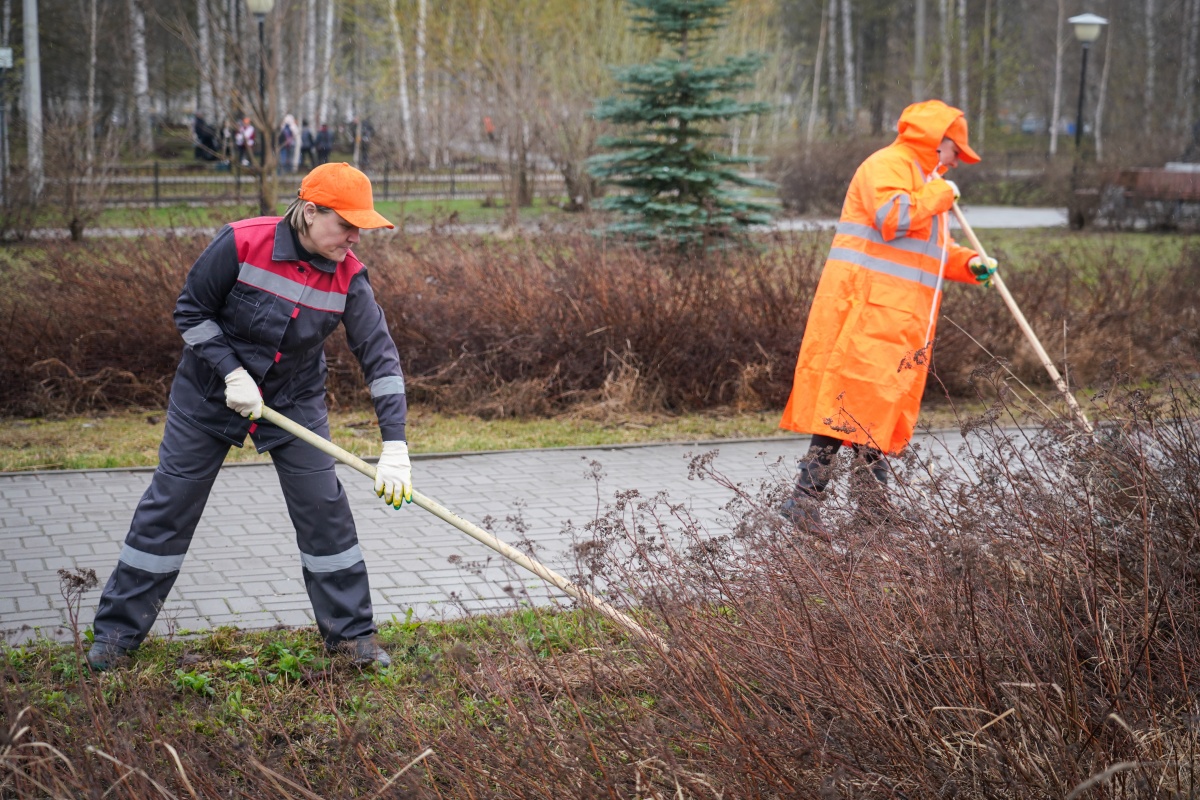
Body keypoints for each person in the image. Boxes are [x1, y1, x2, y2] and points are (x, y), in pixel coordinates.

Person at [86, 162, 412, 671]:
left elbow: (381, 358)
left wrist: (396, 445)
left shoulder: (349, 276)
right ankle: (115, 637)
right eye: (345, 224)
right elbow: (191, 311)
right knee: (169, 509)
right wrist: (231, 372)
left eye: (360, 228)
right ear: (309, 211)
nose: (352, 238)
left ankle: (353, 639)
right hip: (208, 396)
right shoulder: (242, 242)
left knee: (325, 511)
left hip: (292, 402)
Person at [778, 99, 998, 533]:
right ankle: (804, 501)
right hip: (866, 312)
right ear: (937, 141)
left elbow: (926, 253)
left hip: (896, 318)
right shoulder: (890, 166)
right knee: (849, 409)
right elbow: (891, 218)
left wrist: (968, 263)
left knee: (872, 411)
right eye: (956, 150)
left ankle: (870, 507)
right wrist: (938, 195)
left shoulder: (924, 180)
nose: (957, 161)